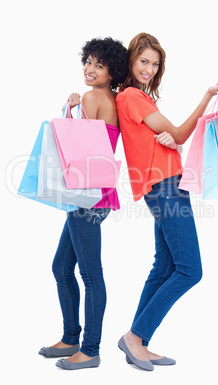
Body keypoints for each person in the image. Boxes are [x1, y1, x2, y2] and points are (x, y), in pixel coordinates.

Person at [116, 32, 218, 371]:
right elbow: (179, 133)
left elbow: (170, 140)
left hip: (165, 184)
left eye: (155, 63)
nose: (149, 68)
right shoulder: (133, 96)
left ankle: (139, 341)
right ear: (131, 60)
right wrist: (208, 95)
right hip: (164, 187)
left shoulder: (135, 98)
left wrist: (172, 144)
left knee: (163, 266)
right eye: (143, 61)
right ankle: (136, 335)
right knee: (190, 270)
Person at [38, 37, 129, 370]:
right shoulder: (115, 99)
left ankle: (90, 349)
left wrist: (73, 109)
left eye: (99, 65)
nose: (90, 70)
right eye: (88, 62)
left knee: (90, 275)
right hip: (98, 195)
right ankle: (71, 338)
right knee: (61, 268)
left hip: (85, 197)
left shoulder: (92, 97)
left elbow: (76, 145)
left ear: (112, 72)